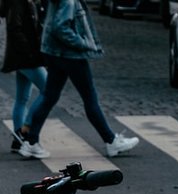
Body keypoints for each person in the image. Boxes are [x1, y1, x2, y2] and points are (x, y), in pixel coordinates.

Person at [18, 0, 138, 160]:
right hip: (71, 55)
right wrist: (83, 43)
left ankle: (31, 142)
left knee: (49, 97)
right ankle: (111, 141)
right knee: (89, 97)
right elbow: (60, 28)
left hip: (54, 53)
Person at [0, 0, 47, 153]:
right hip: (26, 57)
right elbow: (14, 28)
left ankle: (18, 140)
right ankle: (26, 129)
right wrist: (30, 53)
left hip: (22, 56)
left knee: (22, 98)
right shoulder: (18, 2)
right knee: (49, 90)